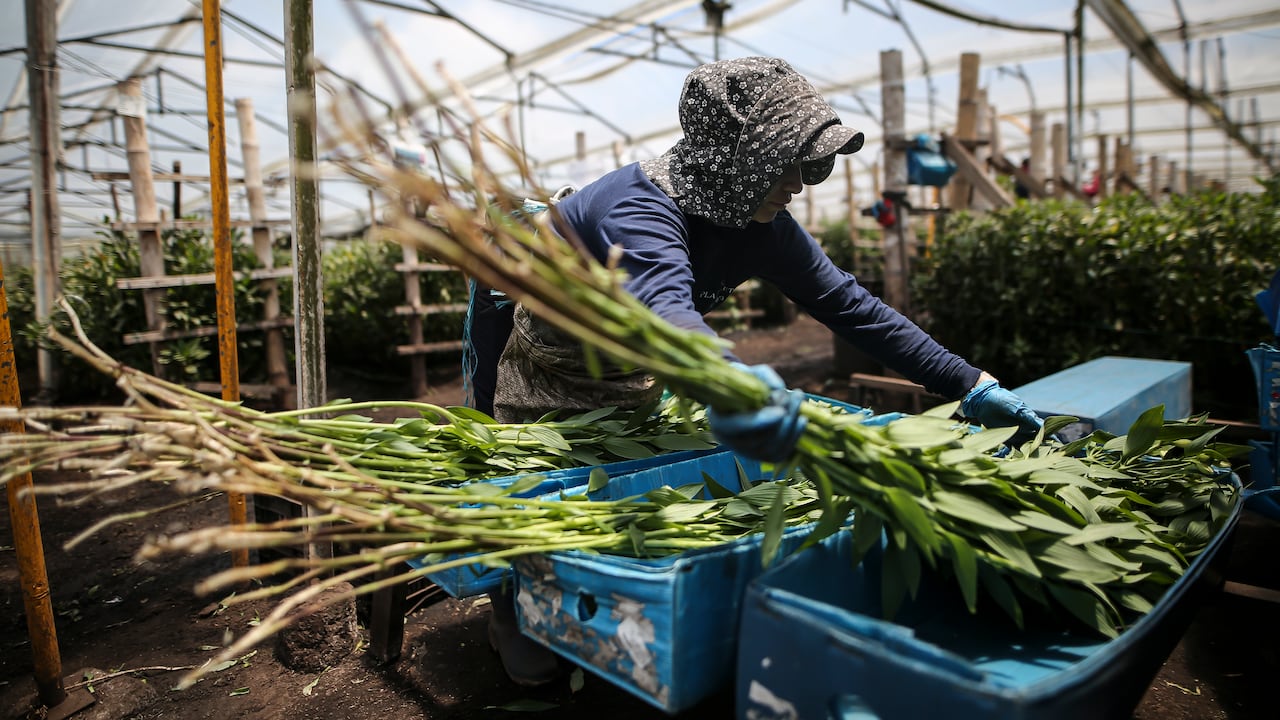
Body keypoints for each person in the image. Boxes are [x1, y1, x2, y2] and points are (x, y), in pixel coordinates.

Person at [462, 56, 1042, 687]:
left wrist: (968, 381)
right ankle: (507, 615)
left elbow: (851, 305)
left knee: (615, 491)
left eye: (808, 162)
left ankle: (592, 608)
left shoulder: (758, 220)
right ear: (734, 156)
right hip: (554, 368)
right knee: (548, 487)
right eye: (787, 159)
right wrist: (734, 383)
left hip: (634, 369)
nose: (798, 181)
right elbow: (670, 317)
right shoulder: (638, 208)